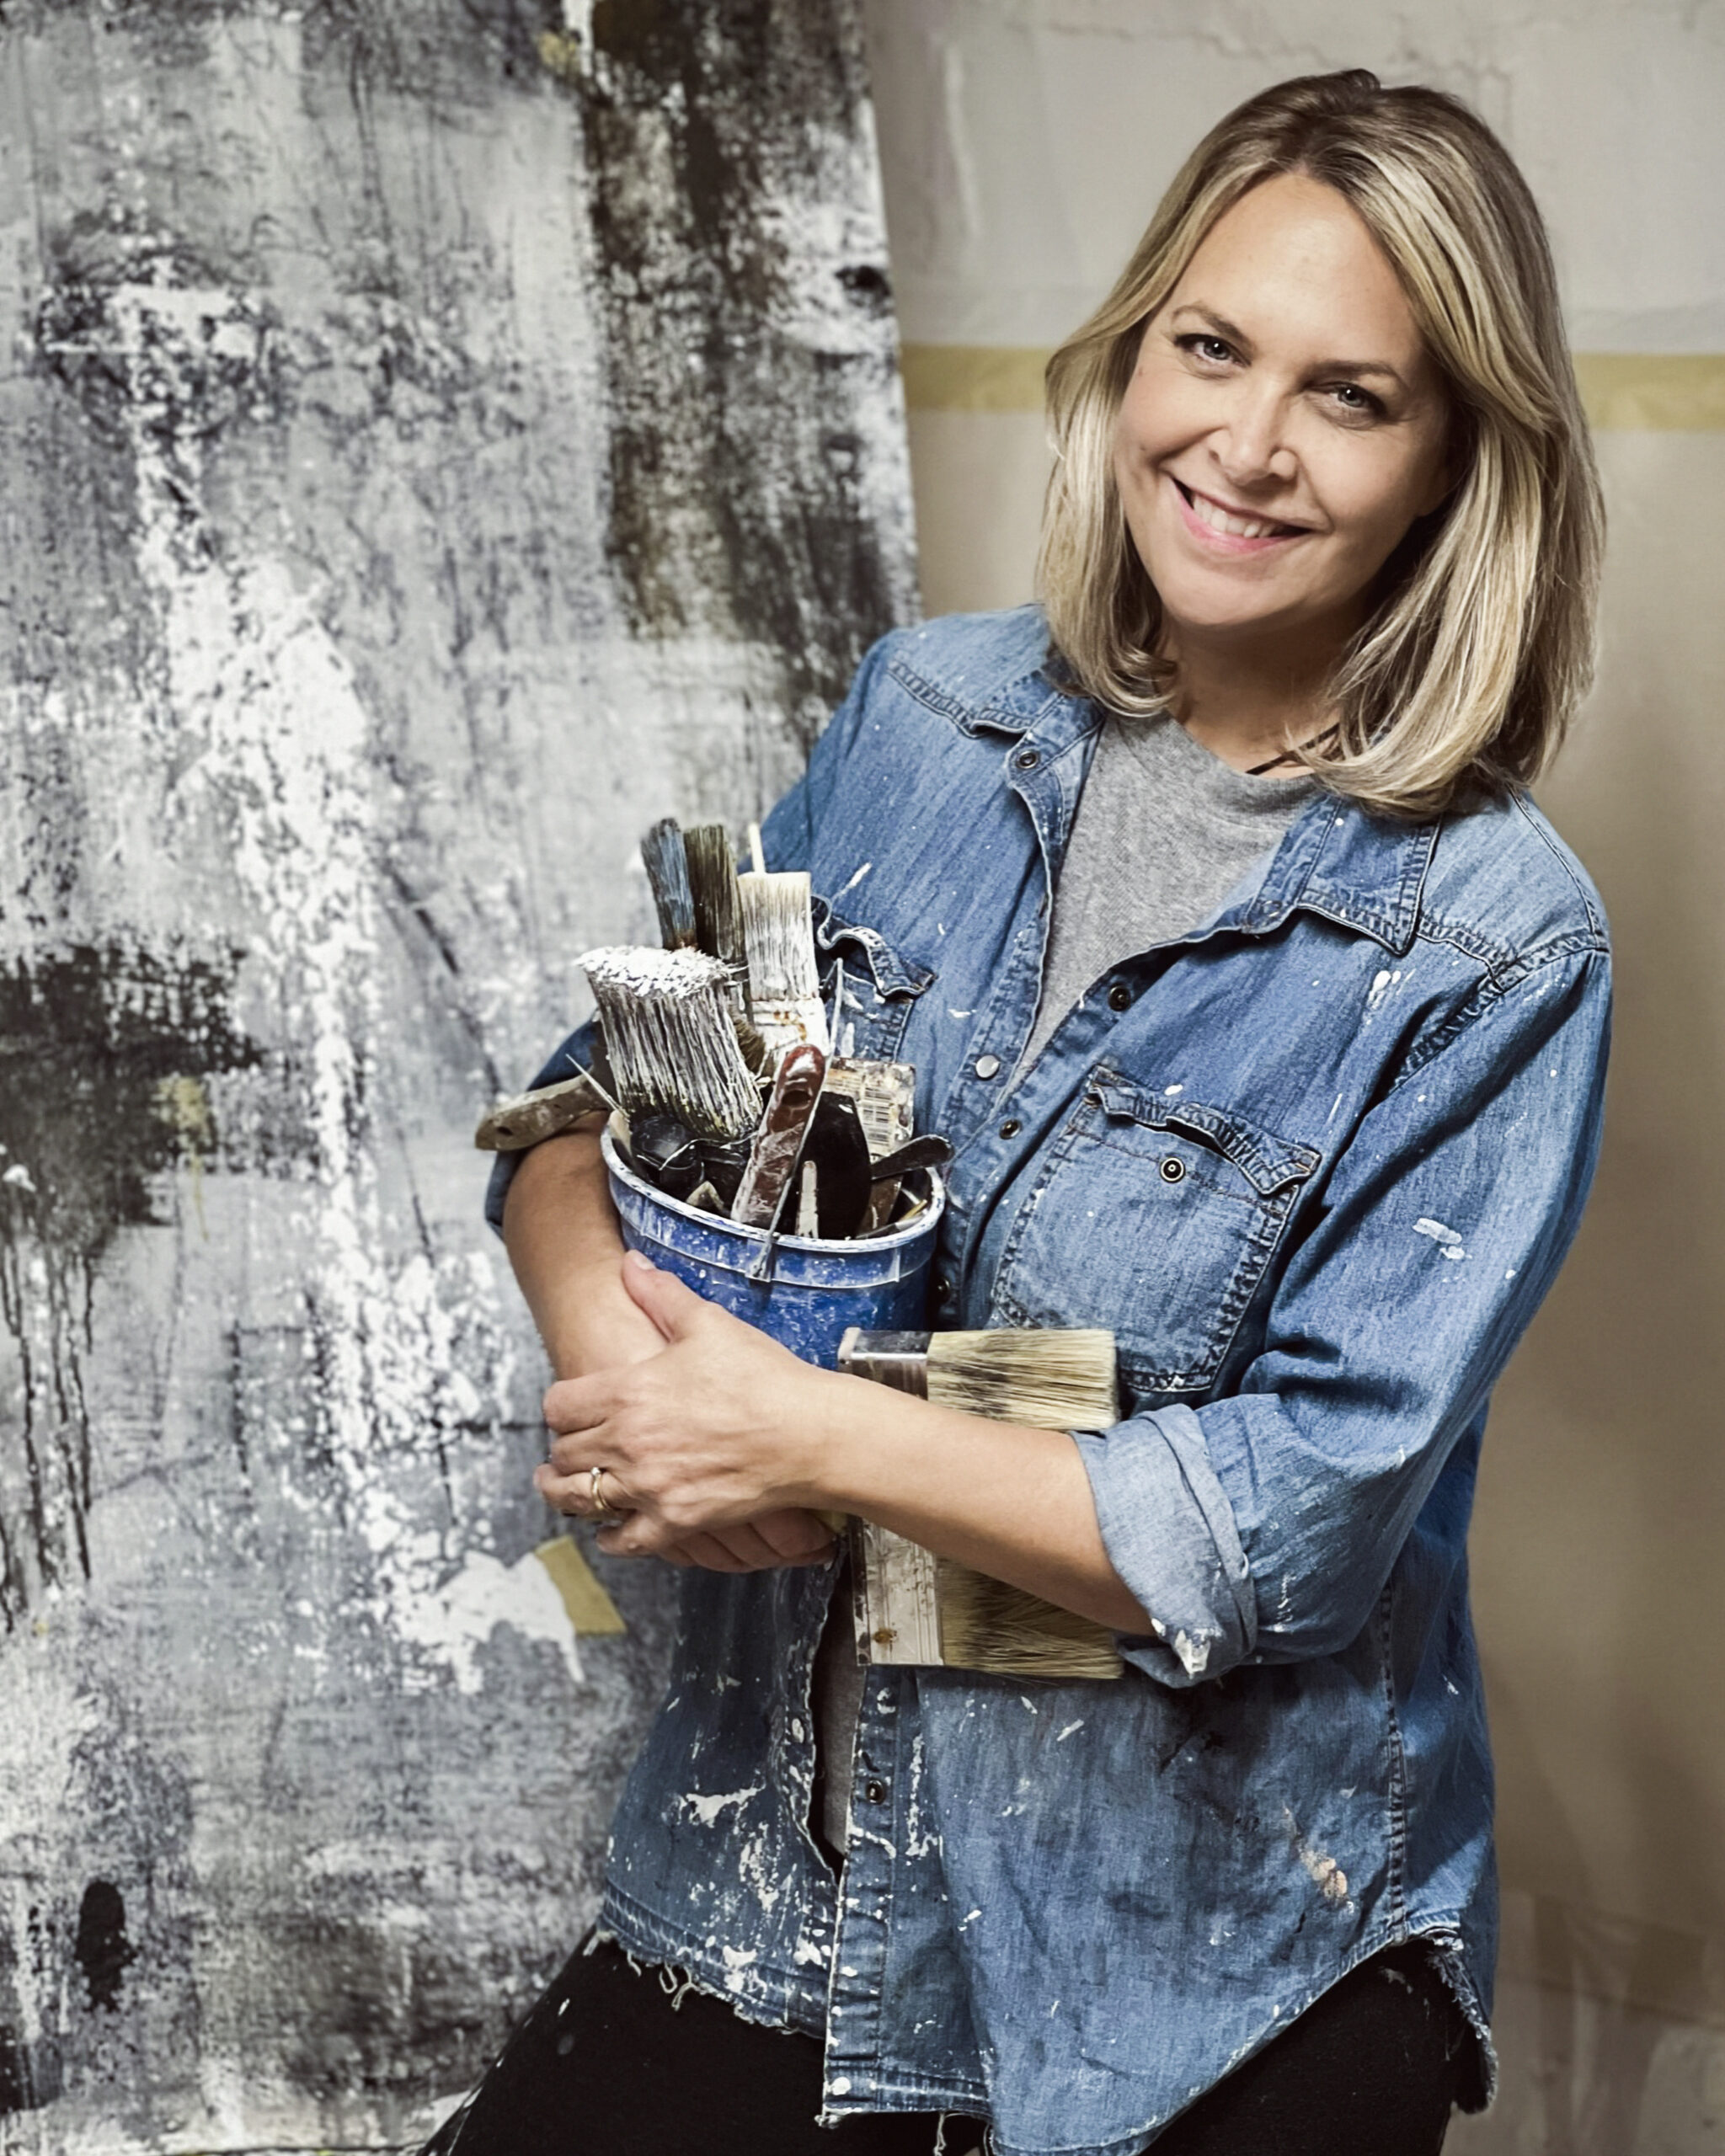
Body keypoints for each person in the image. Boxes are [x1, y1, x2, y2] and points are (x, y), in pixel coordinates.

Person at [431, 67, 1609, 2156]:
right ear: (1132, 351)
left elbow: (1298, 1521)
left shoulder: (1496, 940)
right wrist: (623, 1352)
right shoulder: (924, 711)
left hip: (1187, 1962)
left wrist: (806, 1428)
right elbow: (602, 1107)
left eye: (1350, 395)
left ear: (1452, 464)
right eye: (1209, 346)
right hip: (764, 1883)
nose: (1240, 446)